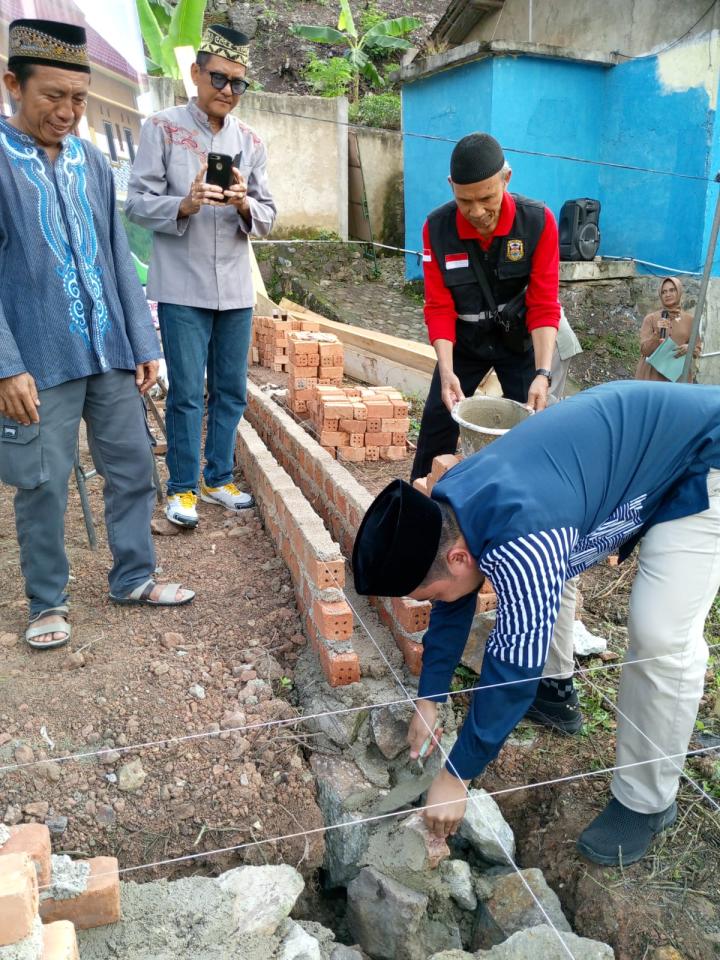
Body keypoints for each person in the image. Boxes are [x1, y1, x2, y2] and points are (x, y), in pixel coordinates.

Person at [353, 381, 720, 865]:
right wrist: (431, 695)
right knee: (543, 581)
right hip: (620, 452)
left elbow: (512, 670)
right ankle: (557, 693)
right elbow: (453, 598)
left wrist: (456, 775)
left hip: (701, 454)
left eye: (430, 593)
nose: (437, 602)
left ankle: (646, 801)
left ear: (458, 556)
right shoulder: (452, 502)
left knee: (660, 632)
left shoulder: (526, 539)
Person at [0, 19, 194, 652]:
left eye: (79, 99)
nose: (68, 111)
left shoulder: (90, 160)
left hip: (108, 349)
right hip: (37, 359)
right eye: (53, 95)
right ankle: (46, 601)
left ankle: (134, 577)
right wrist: (5, 366)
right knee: (43, 483)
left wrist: (143, 343)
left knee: (134, 467)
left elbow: (115, 254)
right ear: (12, 85)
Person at [126, 24, 277, 529]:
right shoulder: (162, 128)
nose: (228, 91)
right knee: (188, 390)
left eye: (239, 83)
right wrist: (185, 204)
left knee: (232, 389)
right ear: (196, 73)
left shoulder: (250, 141)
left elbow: (270, 213)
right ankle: (183, 488)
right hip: (182, 284)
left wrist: (244, 203)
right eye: (219, 78)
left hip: (234, 286)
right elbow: (138, 203)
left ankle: (218, 477)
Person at [411, 131, 560, 483]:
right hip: (464, 341)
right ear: (451, 186)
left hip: (516, 340)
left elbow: (542, 303)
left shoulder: (537, 222)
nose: (477, 212)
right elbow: (438, 306)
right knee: (436, 422)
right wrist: (446, 370)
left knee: (532, 431)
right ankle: (420, 507)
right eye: (465, 201)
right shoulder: (437, 228)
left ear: (506, 179)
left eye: (487, 197)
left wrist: (543, 373)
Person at [635, 276, 700, 381]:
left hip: (677, 376)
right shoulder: (651, 318)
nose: (668, 294)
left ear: (679, 292)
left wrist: (689, 347)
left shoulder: (690, 320)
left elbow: (697, 349)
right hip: (652, 376)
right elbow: (644, 350)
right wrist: (657, 334)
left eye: (672, 290)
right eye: (664, 292)